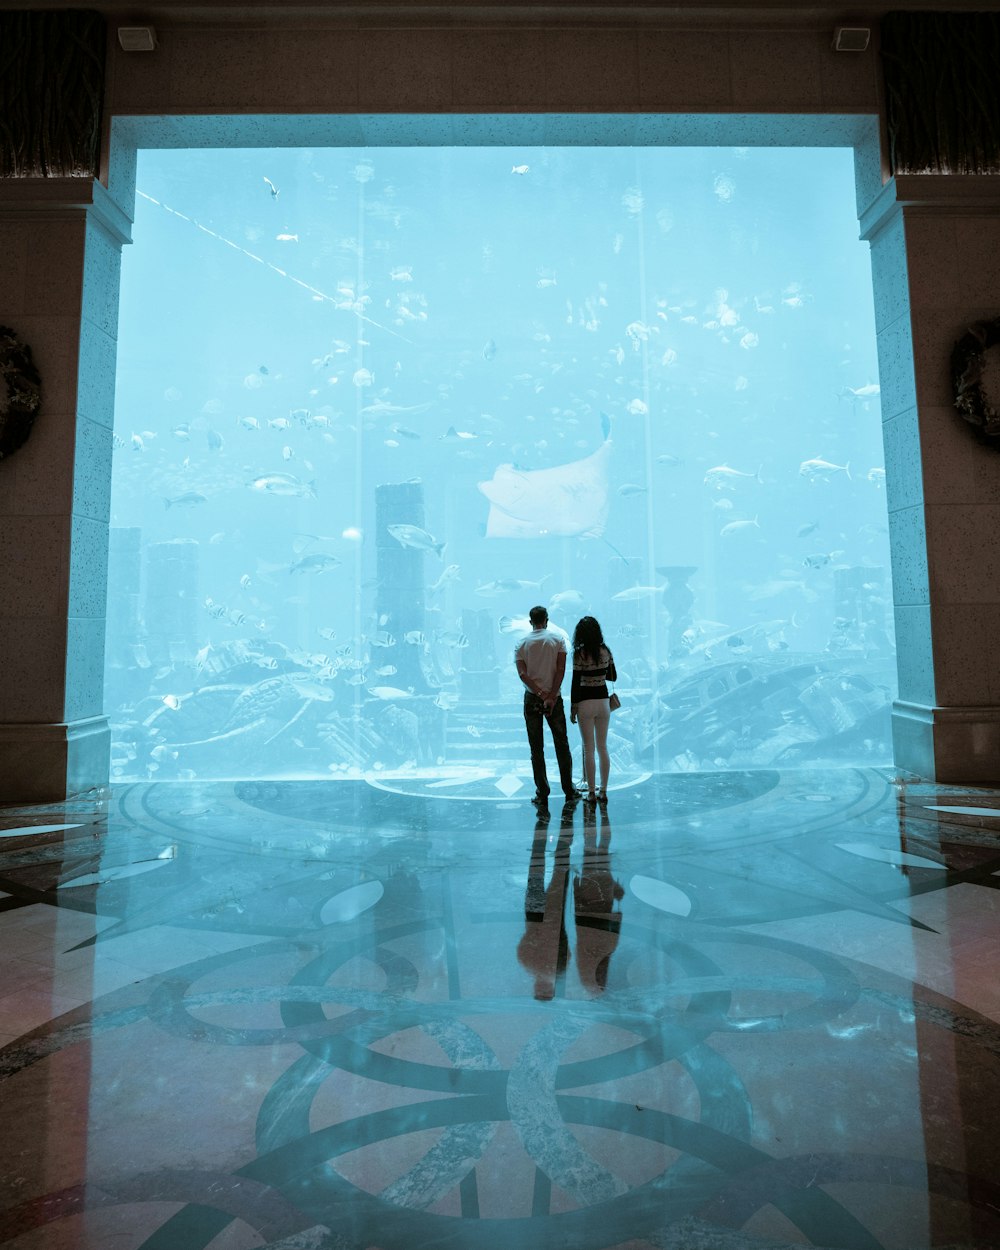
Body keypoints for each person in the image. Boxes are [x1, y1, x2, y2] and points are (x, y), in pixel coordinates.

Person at [514, 606, 581, 807]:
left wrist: (540, 693)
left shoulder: (521, 643)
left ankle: (542, 792)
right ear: (547, 619)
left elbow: (522, 674)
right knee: (562, 744)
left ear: (530, 621)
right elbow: (561, 669)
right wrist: (551, 695)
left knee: (536, 748)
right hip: (554, 698)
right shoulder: (558, 640)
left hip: (532, 698)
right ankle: (569, 789)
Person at [569, 615, 616, 804]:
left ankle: (590, 793)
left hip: (585, 703)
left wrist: (573, 707)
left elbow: (575, 683)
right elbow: (613, 676)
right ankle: (603, 791)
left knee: (588, 748)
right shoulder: (606, 651)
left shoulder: (579, 654)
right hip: (603, 702)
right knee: (603, 747)